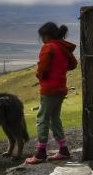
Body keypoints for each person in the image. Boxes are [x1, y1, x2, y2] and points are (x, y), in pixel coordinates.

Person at [25, 21, 77, 164]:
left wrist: (39, 75)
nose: (42, 39)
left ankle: (40, 153)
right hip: (61, 88)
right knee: (54, 118)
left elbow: (42, 70)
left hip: (49, 89)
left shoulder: (48, 47)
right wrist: (60, 70)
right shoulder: (62, 47)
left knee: (42, 119)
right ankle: (63, 150)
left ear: (46, 36)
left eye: (42, 36)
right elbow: (73, 64)